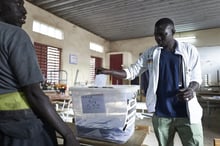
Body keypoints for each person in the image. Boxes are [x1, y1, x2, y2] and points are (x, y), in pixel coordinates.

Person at [97, 18, 203, 146]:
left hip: (187, 113)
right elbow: (131, 71)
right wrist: (108, 71)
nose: (158, 38)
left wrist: (191, 89)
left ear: (173, 32)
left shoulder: (189, 50)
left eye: (162, 34)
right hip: (161, 114)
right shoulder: (151, 53)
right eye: (155, 35)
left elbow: (196, 78)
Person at [0, 0, 80, 146]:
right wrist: (68, 134)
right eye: (18, 4)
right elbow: (34, 93)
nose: (24, 11)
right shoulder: (15, 35)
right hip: (23, 128)